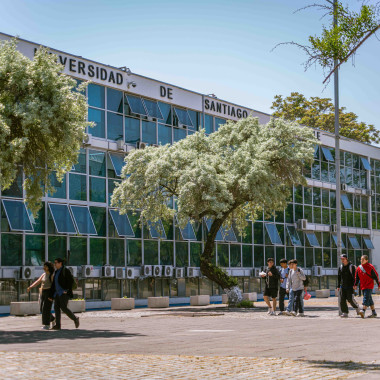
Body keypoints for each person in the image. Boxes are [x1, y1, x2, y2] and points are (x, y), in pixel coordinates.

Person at [49, 258, 80, 330]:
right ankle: (58, 325)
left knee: (64, 308)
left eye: (56, 263)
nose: (55, 264)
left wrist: (68, 290)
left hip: (63, 293)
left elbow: (70, 281)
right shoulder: (56, 272)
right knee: (56, 308)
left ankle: (75, 319)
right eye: (55, 262)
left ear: (60, 263)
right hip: (57, 293)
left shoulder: (65, 271)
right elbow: (54, 284)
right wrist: (51, 295)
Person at [27, 261, 55, 329]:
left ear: (49, 267)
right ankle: (53, 319)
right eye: (44, 266)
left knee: (46, 308)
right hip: (43, 292)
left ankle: (47, 325)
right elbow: (38, 281)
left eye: (45, 266)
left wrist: (52, 296)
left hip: (49, 292)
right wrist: (30, 287)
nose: (44, 268)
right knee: (42, 309)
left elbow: (54, 286)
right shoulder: (43, 274)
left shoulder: (51, 275)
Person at [337, 254, 362, 318]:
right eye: (341, 259)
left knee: (350, 299)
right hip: (343, 286)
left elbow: (355, 277)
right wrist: (338, 286)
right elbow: (339, 277)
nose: (342, 260)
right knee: (342, 300)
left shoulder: (351, 266)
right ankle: (345, 312)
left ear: (346, 259)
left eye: (343, 259)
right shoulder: (341, 267)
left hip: (350, 286)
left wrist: (355, 284)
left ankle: (357, 308)